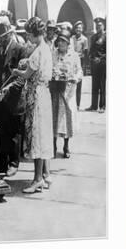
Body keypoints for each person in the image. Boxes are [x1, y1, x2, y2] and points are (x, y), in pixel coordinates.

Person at [12, 17, 54, 193]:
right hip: (44, 93)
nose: (27, 38)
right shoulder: (46, 49)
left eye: (29, 34)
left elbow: (27, 74)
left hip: (36, 95)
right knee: (43, 135)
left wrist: (16, 71)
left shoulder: (37, 52)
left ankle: (37, 179)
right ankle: (45, 175)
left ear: (35, 34)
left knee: (36, 135)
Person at [0, 15, 27, 178]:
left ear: (9, 34)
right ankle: (0, 163)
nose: (0, 40)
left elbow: (22, 77)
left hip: (13, 99)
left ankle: (13, 163)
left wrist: (7, 89)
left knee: (13, 133)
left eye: (2, 37)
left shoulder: (20, 49)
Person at [51, 29, 83, 158]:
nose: (61, 44)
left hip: (68, 91)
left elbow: (79, 71)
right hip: (55, 90)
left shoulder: (74, 56)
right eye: (59, 42)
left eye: (63, 42)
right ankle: (53, 145)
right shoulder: (53, 54)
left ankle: (66, 145)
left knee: (66, 119)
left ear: (68, 43)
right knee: (54, 117)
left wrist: (75, 77)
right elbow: (49, 68)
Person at [86, 17, 107, 113]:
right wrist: (91, 57)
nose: (98, 27)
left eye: (100, 25)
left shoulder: (106, 36)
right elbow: (91, 51)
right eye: (96, 26)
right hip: (94, 64)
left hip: (103, 64)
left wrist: (101, 58)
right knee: (94, 85)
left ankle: (102, 106)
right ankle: (93, 106)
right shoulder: (93, 37)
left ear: (103, 25)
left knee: (102, 85)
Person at [71, 20, 89, 109]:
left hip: (80, 62)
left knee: (78, 84)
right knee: (71, 82)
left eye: (80, 28)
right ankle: (71, 103)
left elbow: (85, 54)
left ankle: (77, 104)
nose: (78, 29)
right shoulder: (72, 38)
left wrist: (84, 67)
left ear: (82, 29)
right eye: (77, 28)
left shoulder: (85, 39)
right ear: (75, 29)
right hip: (71, 62)